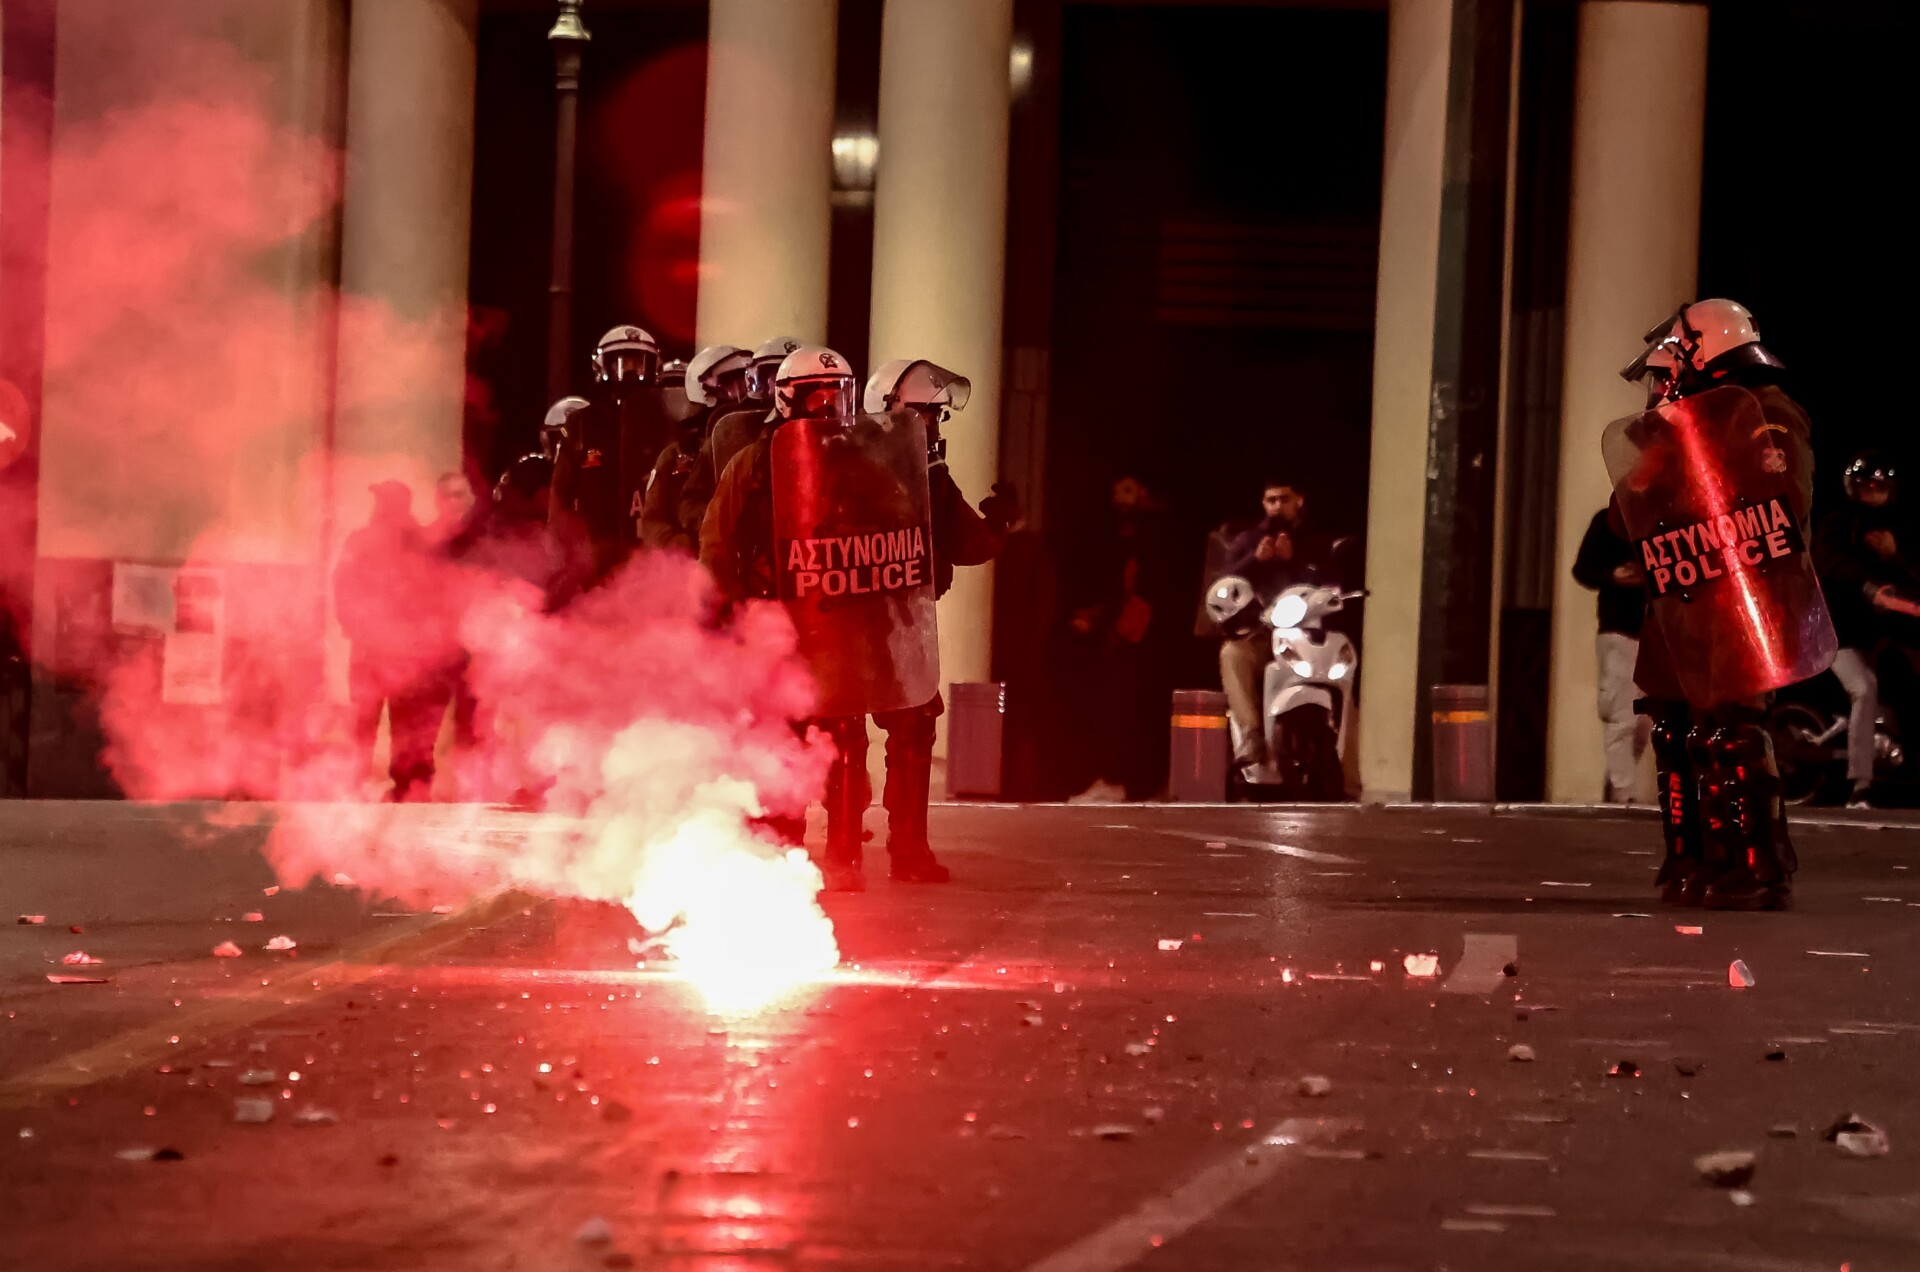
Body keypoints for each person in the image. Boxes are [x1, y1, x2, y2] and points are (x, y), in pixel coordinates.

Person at [701, 347, 947, 888]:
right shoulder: (755, 463)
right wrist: (737, 610)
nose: (825, 407)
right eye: (813, 395)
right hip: (779, 622)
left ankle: (859, 855)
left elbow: (902, 525)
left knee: (854, 732)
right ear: (787, 399)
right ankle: (781, 854)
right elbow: (717, 542)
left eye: (835, 395)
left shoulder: (866, 459)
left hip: (850, 621)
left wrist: (915, 574)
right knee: (784, 739)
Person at [1614, 298, 1831, 910]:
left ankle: (1760, 867)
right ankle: (1695, 857)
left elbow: (1781, 501)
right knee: (1675, 729)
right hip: (1682, 597)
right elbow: (1622, 517)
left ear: (1702, 350)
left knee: (1731, 731)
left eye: (1670, 367)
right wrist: (1658, 450)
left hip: (1736, 600)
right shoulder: (1686, 421)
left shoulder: (1764, 411)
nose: (1663, 382)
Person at [851, 359, 1018, 881]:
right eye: (923, 413)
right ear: (886, 409)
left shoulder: (933, 477)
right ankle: (841, 852)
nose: (932, 426)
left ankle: (909, 848)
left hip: (904, 626)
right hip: (850, 625)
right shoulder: (847, 466)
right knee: (841, 733)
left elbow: (967, 542)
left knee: (916, 722)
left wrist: (997, 523)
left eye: (936, 416)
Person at [333, 481, 453, 802]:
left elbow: (342, 588)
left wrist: (355, 626)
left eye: (381, 501)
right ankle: (408, 787)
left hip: (380, 651)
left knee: (371, 723)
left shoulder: (365, 542)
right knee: (402, 725)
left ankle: (366, 786)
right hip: (397, 653)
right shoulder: (420, 544)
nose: (377, 508)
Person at [1813, 453, 1920, 807]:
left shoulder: (1897, 530)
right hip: (1836, 633)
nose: (1873, 494)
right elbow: (1831, 562)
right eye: (1866, 487)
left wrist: (1896, 555)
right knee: (1864, 687)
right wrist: (1868, 586)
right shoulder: (1837, 524)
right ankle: (1861, 784)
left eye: (1880, 487)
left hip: (1879, 633)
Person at [1067, 474, 1176, 802]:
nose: (1118, 497)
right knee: (1118, 709)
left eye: (1127, 490)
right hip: (1125, 636)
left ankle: (1131, 782)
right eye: (1116, 490)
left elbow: (1148, 590)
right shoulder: (1122, 533)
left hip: (1140, 640)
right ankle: (1122, 779)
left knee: (1131, 711)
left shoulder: (1154, 534)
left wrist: (1119, 632)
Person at [548, 325, 675, 589]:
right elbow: (560, 494)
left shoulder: (666, 422)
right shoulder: (582, 422)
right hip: (594, 557)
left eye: (637, 364)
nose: (629, 371)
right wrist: (564, 552)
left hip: (651, 555)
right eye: (620, 362)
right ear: (602, 366)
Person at [1215, 480, 1326, 776]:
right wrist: (1255, 560)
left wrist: (1294, 562)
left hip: (1308, 638)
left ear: (1299, 500)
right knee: (1232, 654)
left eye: (1284, 499)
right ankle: (1251, 735)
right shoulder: (1248, 540)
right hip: (1263, 635)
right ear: (1263, 504)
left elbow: (1329, 578)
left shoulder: (1312, 539)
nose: (1277, 506)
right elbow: (1224, 581)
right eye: (1271, 500)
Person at [678, 336, 801, 541]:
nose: (778, 384)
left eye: (791, 377)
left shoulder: (827, 437)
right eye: (772, 375)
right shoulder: (731, 434)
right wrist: (724, 527)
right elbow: (690, 504)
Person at [1571, 507, 1649, 802]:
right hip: (1618, 628)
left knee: (1641, 723)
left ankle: (1616, 782)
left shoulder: (1660, 521)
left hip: (1651, 634)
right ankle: (1624, 792)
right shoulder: (1608, 521)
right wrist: (1612, 576)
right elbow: (1583, 569)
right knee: (1624, 716)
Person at [642, 344, 751, 553]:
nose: (740, 394)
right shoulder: (675, 456)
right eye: (730, 385)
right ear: (701, 391)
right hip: (692, 565)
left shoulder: (757, 444)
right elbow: (651, 521)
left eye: (745, 383)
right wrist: (682, 544)